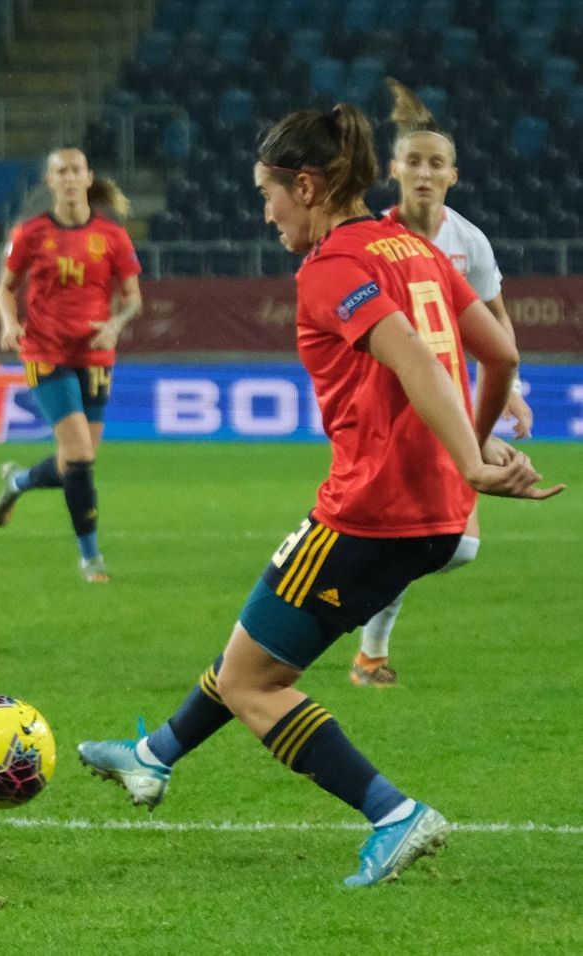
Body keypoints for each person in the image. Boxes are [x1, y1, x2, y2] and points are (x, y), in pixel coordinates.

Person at [77, 104, 563, 887]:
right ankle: (153, 755)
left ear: (306, 185)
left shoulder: (333, 267)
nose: (264, 212)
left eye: (267, 192)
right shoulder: (417, 247)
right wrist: (467, 457)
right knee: (260, 636)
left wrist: (472, 460)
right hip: (433, 514)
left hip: (370, 511)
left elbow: (414, 360)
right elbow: (502, 353)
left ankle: (392, 812)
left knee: (250, 680)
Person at [349, 78, 535, 687]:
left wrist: (510, 389)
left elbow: (494, 325)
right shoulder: (373, 243)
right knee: (444, 540)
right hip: (396, 408)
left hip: (449, 401)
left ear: (454, 175)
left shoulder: (468, 241)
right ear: (394, 170)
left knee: (455, 544)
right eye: (414, 162)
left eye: (437, 163)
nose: (424, 173)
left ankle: (364, 629)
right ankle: (366, 650)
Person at [0, 147, 143, 583]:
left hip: (95, 355)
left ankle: (18, 482)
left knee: (78, 461)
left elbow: (134, 297)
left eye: (77, 170)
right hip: (45, 350)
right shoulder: (31, 233)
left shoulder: (113, 236)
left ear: (89, 176)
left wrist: (115, 324)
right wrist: (9, 321)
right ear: (50, 181)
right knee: (78, 456)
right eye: (62, 171)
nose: (71, 177)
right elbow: (5, 287)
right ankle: (90, 559)